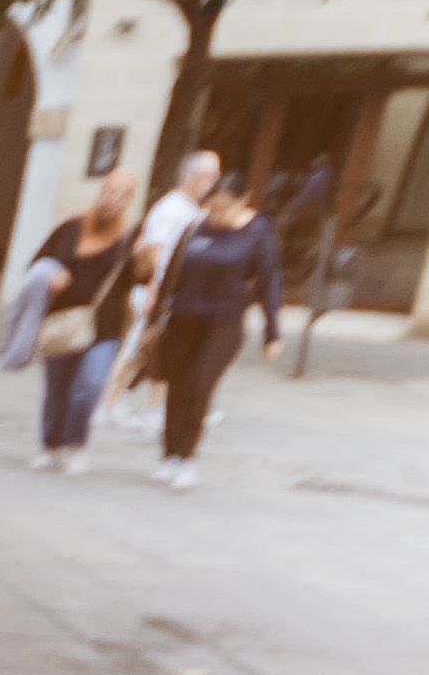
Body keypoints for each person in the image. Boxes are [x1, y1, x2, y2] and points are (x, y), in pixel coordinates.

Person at [147, 170, 281, 490]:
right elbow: (172, 273)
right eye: (213, 206)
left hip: (224, 324)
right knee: (177, 387)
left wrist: (272, 332)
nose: (216, 214)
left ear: (243, 201)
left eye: (224, 207)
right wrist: (153, 320)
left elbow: (269, 280)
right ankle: (170, 455)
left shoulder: (258, 231)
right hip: (183, 320)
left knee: (199, 386)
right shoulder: (195, 227)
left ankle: (188, 458)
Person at [20, 168, 140, 473]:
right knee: (57, 387)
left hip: (105, 327)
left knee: (90, 385)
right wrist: (52, 274)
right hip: (62, 321)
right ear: (101, 193)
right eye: (110, 192)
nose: (113, 200)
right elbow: (36, 263)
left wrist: (147, 260)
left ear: (128, 200)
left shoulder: (128, 240)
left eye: (122, 195)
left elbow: (138, 278)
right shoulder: (70, 228)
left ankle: (75, 445)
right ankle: (50, 446)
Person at [107, 149, 220, 432]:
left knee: (159, 352)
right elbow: (154, 252)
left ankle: (154, 409)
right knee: (138, 348)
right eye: (208, 175)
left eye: (214, 176)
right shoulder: (171, 208)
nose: (212, 182)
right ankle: (110, 403)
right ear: (189, 176)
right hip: (157, 293)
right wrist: (154, 291)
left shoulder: (192, 209)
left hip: (172, 293)